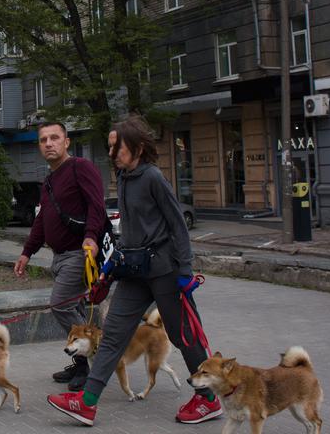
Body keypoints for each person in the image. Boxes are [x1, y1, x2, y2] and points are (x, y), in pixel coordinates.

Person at [47, 115, 221, 427]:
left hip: (165, 271)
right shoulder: (124, 178)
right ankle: (86, 402)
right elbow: (130, 233)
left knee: (184, 336)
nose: (112, 152)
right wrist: (110, 268)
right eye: (110, 146)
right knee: (113, 334)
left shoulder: (153, 177)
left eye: (117, 146)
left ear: (138, 147)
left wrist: (184, 271)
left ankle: (208, 399)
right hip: (134, 270)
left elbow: (178, 225)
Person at [13, 122, 106, 391]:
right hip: (59, 256)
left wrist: (90, 236)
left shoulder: (81, 168)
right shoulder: (50, 180)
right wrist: (27, 251)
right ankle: (86, 362)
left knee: (60, 305)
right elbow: (43, 219)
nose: (49, 143)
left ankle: (87, 364)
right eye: (43, 140)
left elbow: (96, 206)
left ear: (66, 142)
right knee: (74, 309)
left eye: (55, 138)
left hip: (80, 253)